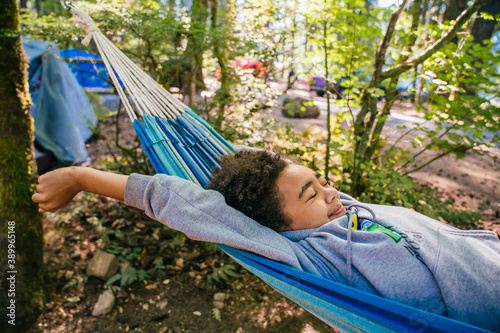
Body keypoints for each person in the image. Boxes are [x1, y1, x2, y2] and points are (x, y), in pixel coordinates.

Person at [32, 149, 500, 332]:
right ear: (277, 226)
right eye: (311, 193)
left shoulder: (343, 210)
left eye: (322, 181)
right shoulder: (307, 255)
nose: (332, 193)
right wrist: (82, 176)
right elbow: (183, 202)